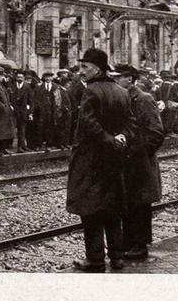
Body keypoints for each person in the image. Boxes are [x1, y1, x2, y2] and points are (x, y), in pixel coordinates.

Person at [67, 48, 135, 272]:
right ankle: (117, 257)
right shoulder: (121, 91)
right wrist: (121, 138)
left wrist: (108, 140)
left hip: (92, 161)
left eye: (85, 67)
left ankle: (95, 260)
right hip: (115, 160)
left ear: (96, 69)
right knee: (113, 209)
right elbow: (130, 123)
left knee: (92, 211)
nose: (81, 71)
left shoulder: (92, 91)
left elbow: (89, 124)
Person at [114, 63, 164, 261]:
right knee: (127, 203)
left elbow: (156, 133)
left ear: (129, 79)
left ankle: (140, 245)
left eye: (118, 77)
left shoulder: (142, 99)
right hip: (125, 161)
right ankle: (128, 243)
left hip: (140, 162)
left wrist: (140, 154)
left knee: (140, 205)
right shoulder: (121, 98)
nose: (115, 81)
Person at [8, 69, 33, 152]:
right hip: (14, 111)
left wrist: (30, 112)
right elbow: (9, 98)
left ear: (24, 78)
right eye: (18, 77)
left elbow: (31, 100)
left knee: (22, 130)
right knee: (14, 129)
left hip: (23, 112)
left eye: (21, 77)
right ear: (16, 77)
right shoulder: (12, 86)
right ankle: (16, 145)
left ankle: (21, 146)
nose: (19, 78)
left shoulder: (27, 87)